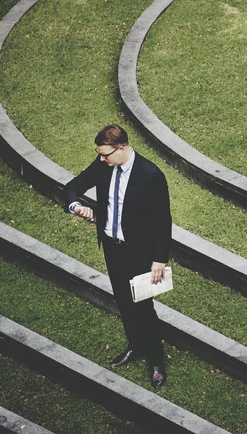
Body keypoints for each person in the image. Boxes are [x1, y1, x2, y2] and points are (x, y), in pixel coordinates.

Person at [65, 124, 172, 388]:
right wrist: (77, 206)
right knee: (124, 302)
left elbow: (162, 220)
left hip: (140, 253)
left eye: (106, 154)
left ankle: (157, 362)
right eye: (100, 154)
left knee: (144, 307)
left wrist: (159, 259)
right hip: (113, 249)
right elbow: (73, 186)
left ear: (122, 147)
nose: (102, 159)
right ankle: (136, 346)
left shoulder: (150, 175)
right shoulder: (103, 166)